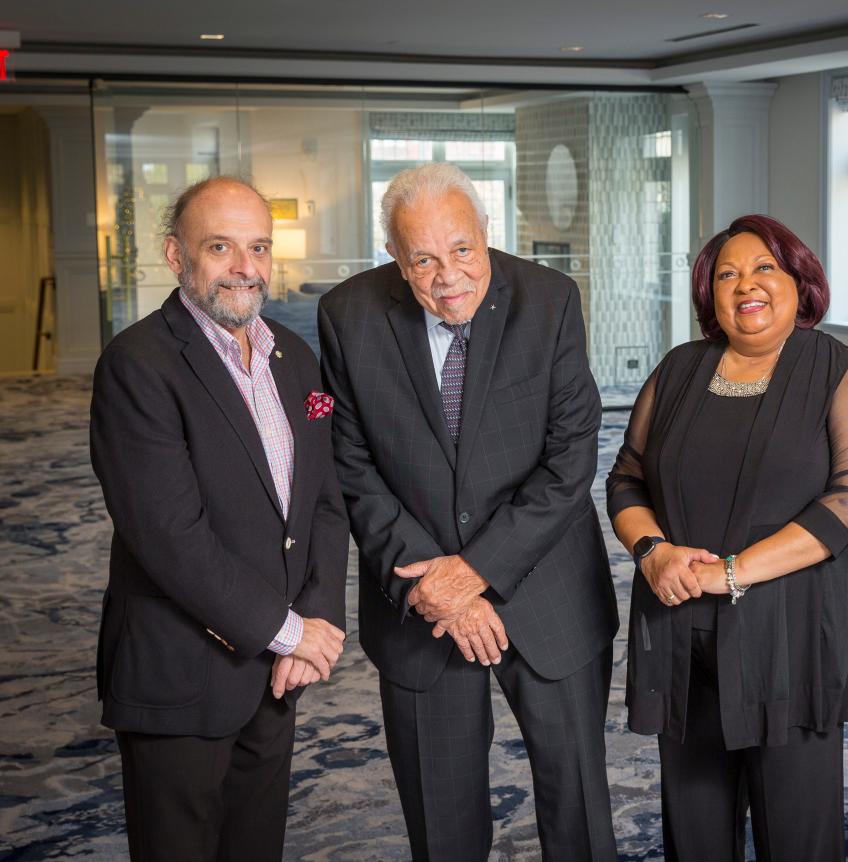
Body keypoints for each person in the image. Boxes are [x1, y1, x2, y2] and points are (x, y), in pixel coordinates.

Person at [318, 163, 619, 861]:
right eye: (421, 258)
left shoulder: (548, 299)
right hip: (421, 600)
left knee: (577, 808)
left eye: (461, 250)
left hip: (547, 589)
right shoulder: (349, 315)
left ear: (487, 232)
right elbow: (351, 466)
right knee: (441, 820)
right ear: (394, 255)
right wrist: (440, 591)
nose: (447, 275)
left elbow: (572, 455)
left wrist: (477, 570)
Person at [606, 214, 848, 861]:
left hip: (789, 638)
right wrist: (652, 554)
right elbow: (626, 478)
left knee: (796, 834)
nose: (745, 286)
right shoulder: (678, 369)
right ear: (709, 294)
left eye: (764, 268)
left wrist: (727, 572)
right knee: (695, 830)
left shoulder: (838, 370)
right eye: (727, 274)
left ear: (799, 281)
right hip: (681, 633)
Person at [89, 176, 348, 861]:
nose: (245, 266)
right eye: (221, 246)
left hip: (275, 674)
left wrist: (317, 621)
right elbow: (171, 539)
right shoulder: (138, 366)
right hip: (183, 674)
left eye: (258, 247)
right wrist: (290, 632)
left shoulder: (295, 361)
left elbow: (323, 500)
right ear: (177, 257)